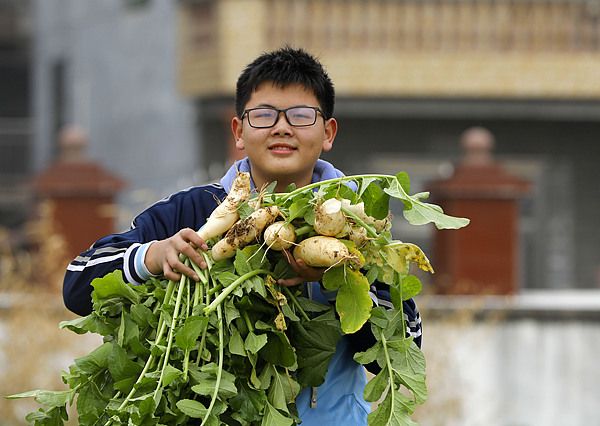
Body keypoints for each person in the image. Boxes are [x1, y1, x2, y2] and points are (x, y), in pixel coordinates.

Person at [62, 46, 422, 424]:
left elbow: (405, 348)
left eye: (301, 115)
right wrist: (152, 256)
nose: (282, 127)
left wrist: (339, 282)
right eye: (264, 115)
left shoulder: (358, 230)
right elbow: (76, 285)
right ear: (238, 131)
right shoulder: (193, 212)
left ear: (327, 132)